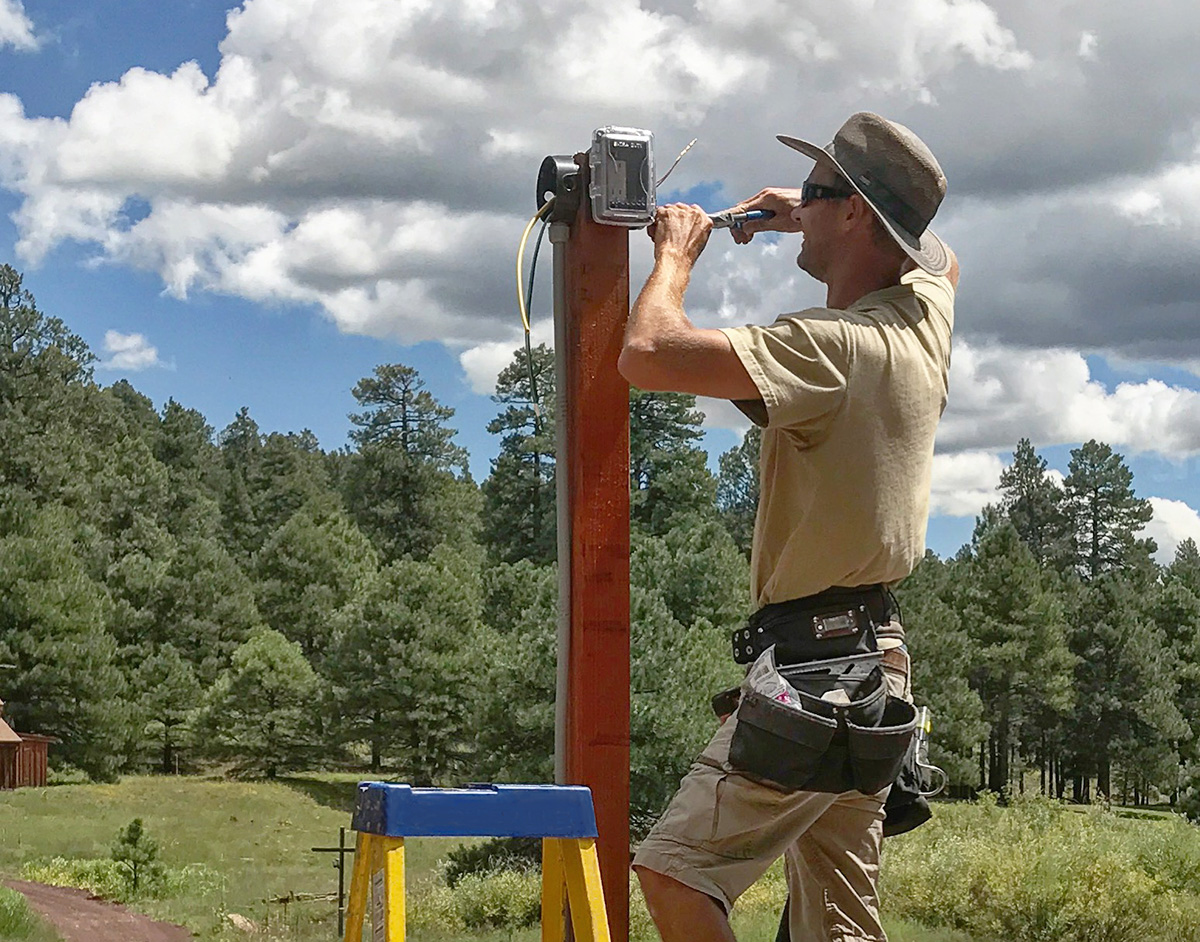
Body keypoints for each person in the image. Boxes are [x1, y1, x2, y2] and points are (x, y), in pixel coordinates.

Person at [617, 112, 960, 942]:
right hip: (875, 663)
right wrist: (806, 205)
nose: (798, 208)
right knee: (837, 925)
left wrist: (674, 255)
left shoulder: (834, 345)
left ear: (854, 217)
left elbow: (649, 353)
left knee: (674, 871)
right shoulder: (923, 317)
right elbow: (946, 261)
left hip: (814, 668)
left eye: (818, 192)